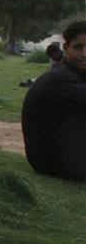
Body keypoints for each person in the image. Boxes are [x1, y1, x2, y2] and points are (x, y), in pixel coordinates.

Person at [21, 21, 86, 182]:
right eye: (78, 47)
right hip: (51, 160)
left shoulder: (74, 73)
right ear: (66, 47)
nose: (84, 54)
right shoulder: (60, 78)